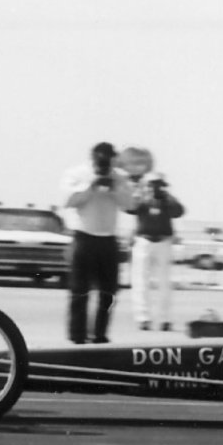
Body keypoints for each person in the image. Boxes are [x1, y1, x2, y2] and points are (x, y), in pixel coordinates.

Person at [60, 142, 136, 344]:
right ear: (92, 158)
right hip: (84, 237)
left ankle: (100, 334)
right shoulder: (77, 173)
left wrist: (115, 190)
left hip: (108, 240)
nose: (104, 166)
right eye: (100, 161)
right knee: (79, 290)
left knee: (109, 292)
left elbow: (130, 204)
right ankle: (77, 336)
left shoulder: (120, 177)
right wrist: (90, 185)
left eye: (109, 161)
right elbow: (67, 200)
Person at [126, 171, 185, 331]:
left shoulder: (167, 200)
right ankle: (142, 317)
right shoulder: (141, 199)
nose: (155, 188)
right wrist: (139, 193)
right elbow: (128, 207)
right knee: (140, 281)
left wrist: (166, 197)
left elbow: (179, 211)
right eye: (152, 184)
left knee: (164, 282)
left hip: (163, 242)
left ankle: (165, 319)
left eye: (158, 184)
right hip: (144, 241)